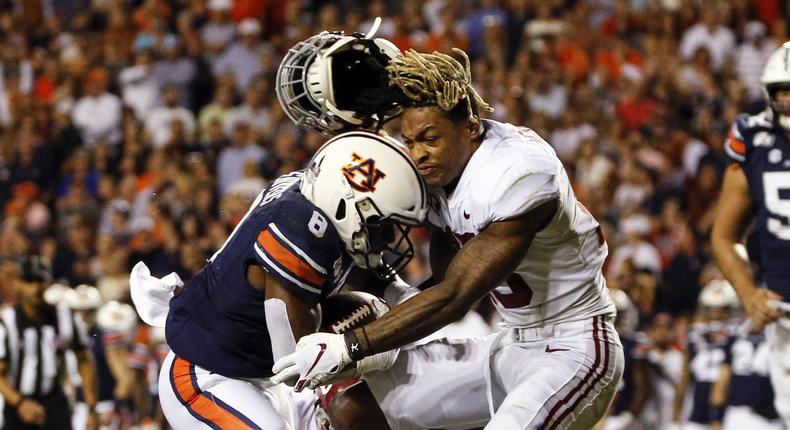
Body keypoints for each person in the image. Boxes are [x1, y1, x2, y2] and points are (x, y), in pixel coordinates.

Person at [274, 48, 624, 430]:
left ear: (470, 127)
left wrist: (352, 344)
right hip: (508, 342)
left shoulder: (518, 171)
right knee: (350, 410)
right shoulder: (441, 174)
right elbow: (442, 279)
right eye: (410, 141)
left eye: (429, 138)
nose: (419, 154)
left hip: (574, 348)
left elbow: (456, 296)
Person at [130, 130, 427, 429]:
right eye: (382, 225)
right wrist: (371, 347)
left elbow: (358, 268)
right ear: (344, 206)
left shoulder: (316, 198)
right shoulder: (301, 232)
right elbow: (297, 362)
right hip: (207, 375)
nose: (387, 237)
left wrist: (400, 294)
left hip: (259, 374)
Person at [711, 41, 790, 427]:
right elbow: (724, 236)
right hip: (785, 315)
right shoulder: (755, 137)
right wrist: (747, 292)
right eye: (784, 91)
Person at [0, 256, 99, 430]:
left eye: (40, 281)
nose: (36, 287)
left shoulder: (65, 317)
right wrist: (20, 402)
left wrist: (92, 408)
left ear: (48, 283)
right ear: (17, 284)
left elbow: (84, 360)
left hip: (55, 405)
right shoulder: (6, 322)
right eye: (29, 281)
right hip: (18, 408)